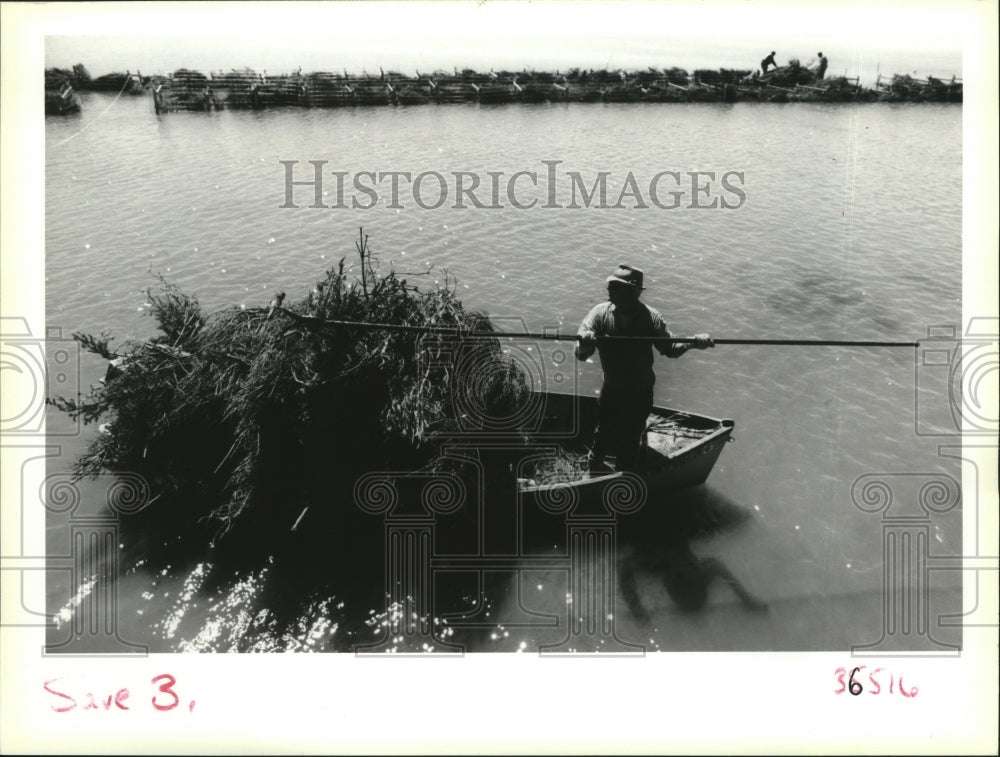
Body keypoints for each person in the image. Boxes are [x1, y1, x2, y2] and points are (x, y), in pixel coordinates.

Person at [575, 265, 713, 472]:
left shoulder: (652, 318)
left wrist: (694, 342)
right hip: (612, 388)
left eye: (615, 286)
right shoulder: (599, 314)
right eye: (610, 285)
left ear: (633, 291)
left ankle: (623, 477)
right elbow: (580, 354)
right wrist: (585, 343)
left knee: (630, 440)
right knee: (603, 433)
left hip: (640, 391)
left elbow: (671, 349)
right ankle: (594, 466)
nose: (609, 290)